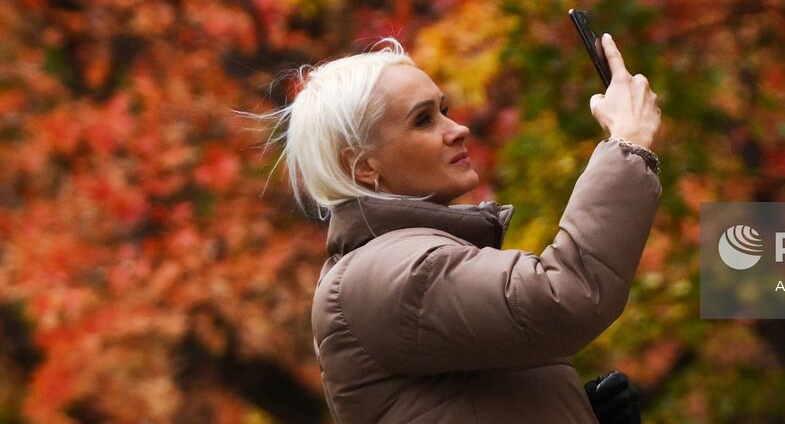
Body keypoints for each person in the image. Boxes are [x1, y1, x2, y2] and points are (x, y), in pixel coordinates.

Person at [267, 33, 662, 423]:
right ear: (364, 165)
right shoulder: (392, 272)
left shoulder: (401, 261)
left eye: (443, 109)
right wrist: (628, 144)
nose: (457, 129)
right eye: (423, 120)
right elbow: (564, 296)